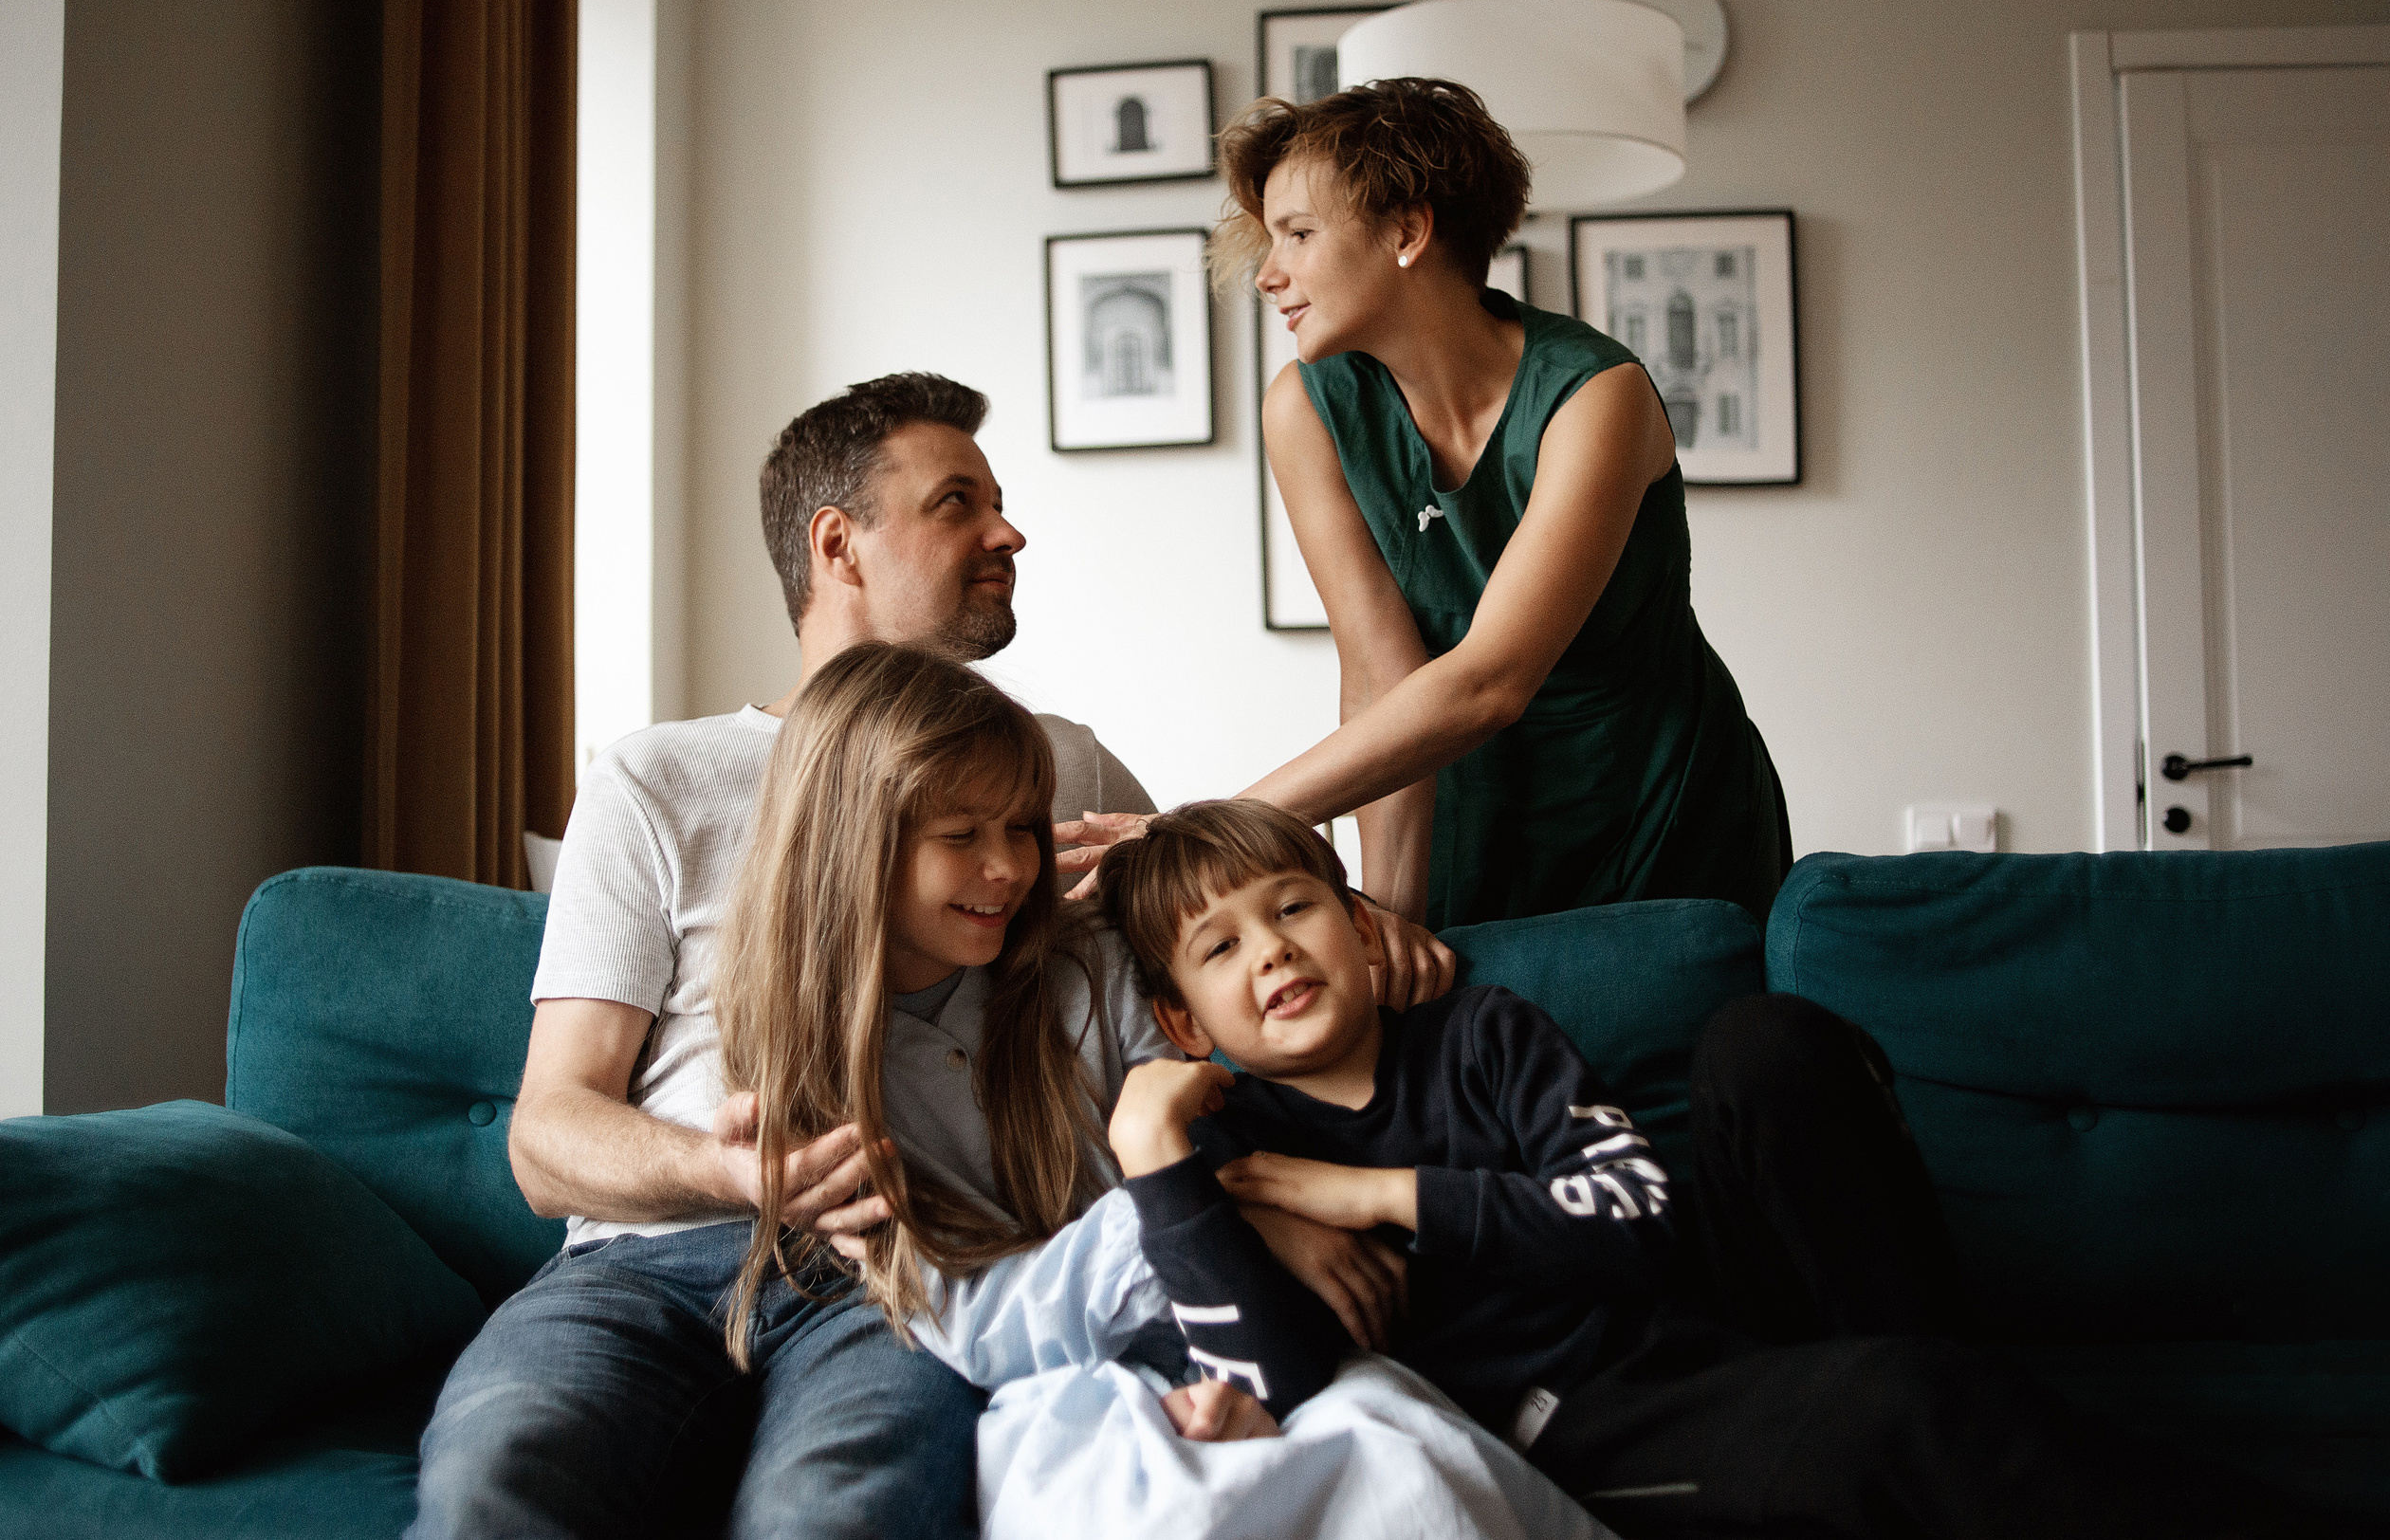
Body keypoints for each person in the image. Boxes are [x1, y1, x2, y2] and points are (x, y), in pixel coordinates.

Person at [409, 373, 1424, 1539]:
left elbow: (1225, 930)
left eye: (998, 503)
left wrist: (1350, 918)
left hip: (911, 1278)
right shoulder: (659, 780)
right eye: (958, 503)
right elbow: (548, 1137)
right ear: (838, 544)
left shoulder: (1058, 768)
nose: (1008, 532)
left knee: (845, 1512)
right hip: (645, 1270)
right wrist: (737, 1171)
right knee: (499, 1484)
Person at [1093, 800, 2320, 1540]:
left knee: (1767, 1038)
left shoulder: (1485, 1034)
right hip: (1576, 1425)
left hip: (1696, 1326)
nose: (1272, 950)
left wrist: (1374, 1195)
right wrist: (1156, 1155)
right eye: (1220, 943)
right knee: (1904, 1409)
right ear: (1183, 1020)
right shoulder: (1226, 1151)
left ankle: (1916, 1393)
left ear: (1364, 929)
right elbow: (1284, 1379)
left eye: (1296, 907)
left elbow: (1634, 1220)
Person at [711, 642, 1607, 1540]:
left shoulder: (1087, 961)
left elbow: (1216, 1112)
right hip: (1054, 1391)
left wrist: (1230, 1333)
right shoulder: (815, 1069)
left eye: (1020, 827)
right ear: (853, 846)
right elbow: (974, 1319)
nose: (1010, 868)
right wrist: (1221, 1219)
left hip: (1245, 1318)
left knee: (1398, 1474)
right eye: (961, 837)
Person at [1062, 80, 1789, 932]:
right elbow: (1379, 676)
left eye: (1298, 233)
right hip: (1473, 816)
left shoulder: (1599, 397)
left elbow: (1489, 683)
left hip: (1663, 811)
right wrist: (1387, 920)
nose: (1267, 273)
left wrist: (1202, 834)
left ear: (1408, 231)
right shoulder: (1303, 407)